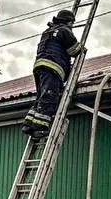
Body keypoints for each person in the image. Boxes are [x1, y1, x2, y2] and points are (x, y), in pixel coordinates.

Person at [21, 8, 82, 139]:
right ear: (69, 22)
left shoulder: (47, 32)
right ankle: (40, 128)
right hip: (53, 68)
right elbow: (75, 50)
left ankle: (28, 124)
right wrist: (82, 48)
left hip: (40, 67)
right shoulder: (65, 31)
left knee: (41, 96)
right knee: (49, 97)